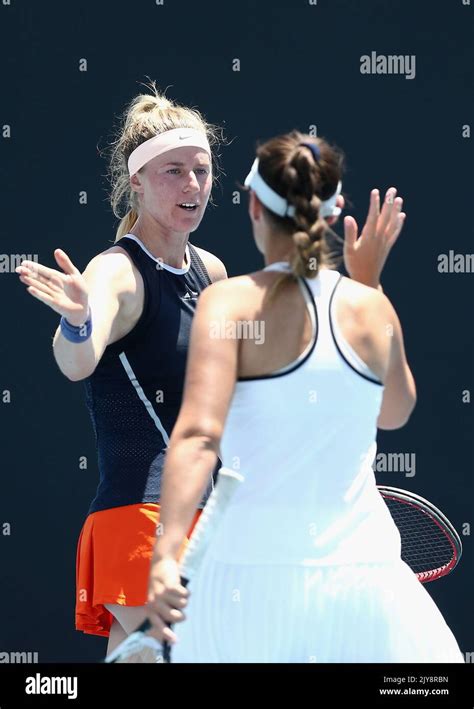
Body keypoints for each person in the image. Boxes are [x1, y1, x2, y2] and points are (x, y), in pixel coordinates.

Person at [146, 130, 464, 663]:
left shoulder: (226, 305)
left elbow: (200, 436)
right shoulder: (371, 309)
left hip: (244, 590)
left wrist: (164, 555)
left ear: (253, 205)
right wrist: (368, 285)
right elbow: (396, 411)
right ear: (334, 212)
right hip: (365, 590)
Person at [15, 83, 228, 659]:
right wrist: (80, 322)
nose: (192, 186)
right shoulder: (113, 273)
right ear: (136, 181)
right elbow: (75, 362)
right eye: (173, 171)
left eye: (201, 171)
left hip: (209, 517)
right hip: (141, 518)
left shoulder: (212, 271)